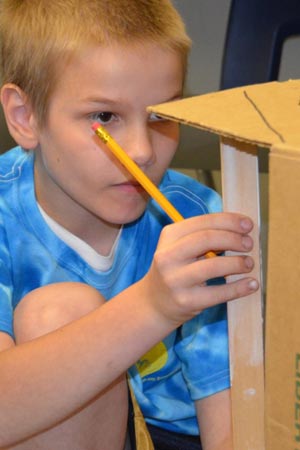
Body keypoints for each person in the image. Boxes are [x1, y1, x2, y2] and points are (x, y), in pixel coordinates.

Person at [0, 1, 259, 449]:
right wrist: (153, 307)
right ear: (26, 118)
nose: (141, 151)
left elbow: (234, 424)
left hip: (178, 436)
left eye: (161, 115)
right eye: (104, 117)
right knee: (56, 314)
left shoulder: (197, 218)